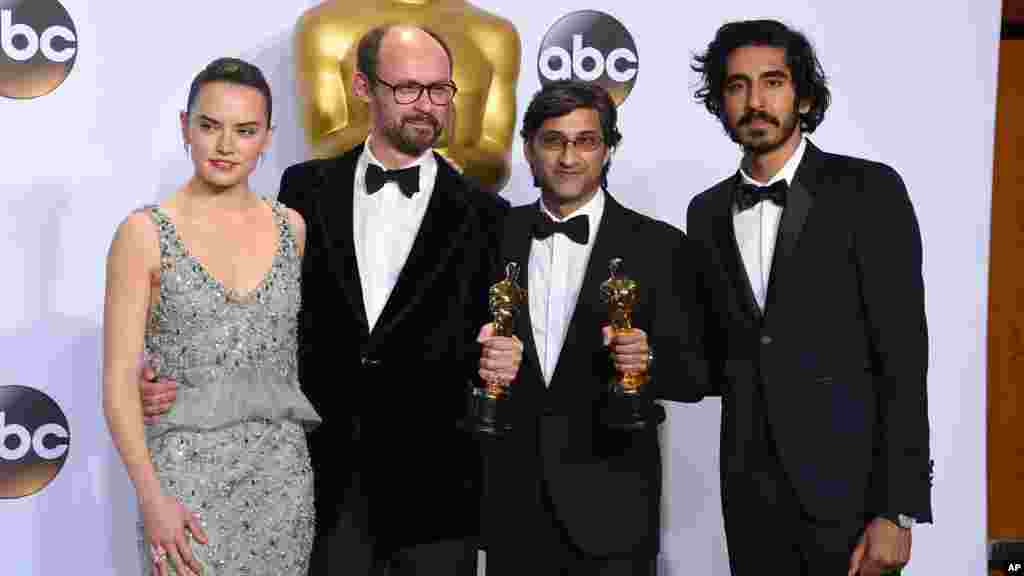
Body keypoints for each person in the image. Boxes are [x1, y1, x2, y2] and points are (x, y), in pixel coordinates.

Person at [686, 19, 933, 575]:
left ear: (804, 95)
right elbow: (711, 362)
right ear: (720, 101)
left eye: (772, 82)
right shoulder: (704, 214)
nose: (755, 101)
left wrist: (897, 510)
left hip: (850, 505)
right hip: (750, 499)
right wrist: (639, 354)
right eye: (736, 85)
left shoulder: (868, 191)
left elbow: (903, 356)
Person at [475, 80, 708, 576]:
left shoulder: (661, 247)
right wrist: (478, 364)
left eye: (586, 141)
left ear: (608, 150)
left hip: (615, 516)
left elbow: (697, 375)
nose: (568, 157)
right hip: (512, 512)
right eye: (553, 140)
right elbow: (456, 353)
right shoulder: (489, 237)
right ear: (529, 149)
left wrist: (648, 362)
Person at [103, 57, 320, 576]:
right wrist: (152, 498)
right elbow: (116, 387)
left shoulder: (293, 228)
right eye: (210, 126)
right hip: (184, 481)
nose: (225, 147)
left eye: (245, 131)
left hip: (282, 479)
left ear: (267, 137)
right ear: (186, 127)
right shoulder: (144, 233)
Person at [293, 0, 521, 194]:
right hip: (350, 217)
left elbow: (496, 162)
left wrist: (444, 162)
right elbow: (321, 153)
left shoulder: (494, 34)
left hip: (463, 229)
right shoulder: (325, 25)